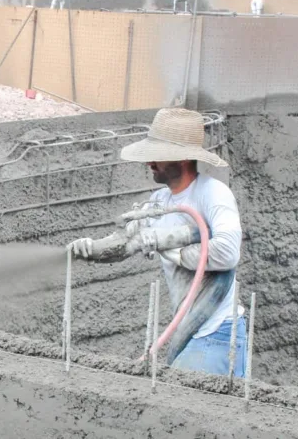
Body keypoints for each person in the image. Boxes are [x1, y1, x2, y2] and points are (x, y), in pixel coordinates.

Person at [69, 107, 246, 377]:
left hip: (217, 331)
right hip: (192, 329)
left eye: (158, 156)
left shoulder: (213, 194)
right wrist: (91, 249)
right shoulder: (159, 202)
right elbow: (127, 243)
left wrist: (168, 247)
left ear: (183, 158)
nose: (149, 162)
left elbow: (227, 253)